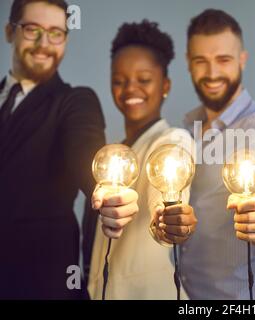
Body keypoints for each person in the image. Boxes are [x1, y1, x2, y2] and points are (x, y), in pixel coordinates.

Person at [0, 0, 138, 299]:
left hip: (40, 285)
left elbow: (85, 153)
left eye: (55, 33)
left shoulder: (75, 101)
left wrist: (104, 190)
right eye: (32, 30)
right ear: (10, 31)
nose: (43, 44)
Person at [177, 9, 255, 300]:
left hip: (242, 297)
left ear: (242, 59)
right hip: (186, 295)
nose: (212, 73)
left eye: (224, 60)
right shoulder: (187, 130)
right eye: (201, 61)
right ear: (188, 64)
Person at [86, 20, 197, 300]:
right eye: (119, 81)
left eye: (144, 79)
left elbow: (164, 196)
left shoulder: (173, 139)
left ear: (165, 85)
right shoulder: (116, 157)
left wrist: (165, 218)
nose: (130, 89)